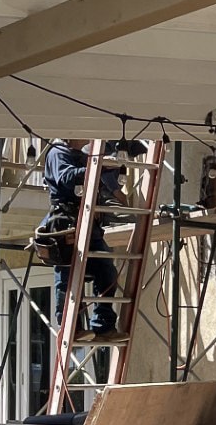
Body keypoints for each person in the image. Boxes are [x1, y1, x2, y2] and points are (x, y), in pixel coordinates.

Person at [34, 139, 146, 339]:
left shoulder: (80, 154)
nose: (89, 138)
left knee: (105, 270)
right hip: (66, 221)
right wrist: (97, 167)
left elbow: (94, 182)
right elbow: (65, 177)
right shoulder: (59, 150)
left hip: (86, 220)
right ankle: (71, 327)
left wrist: (102, 171)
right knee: (67, 276)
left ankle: (104, 326)